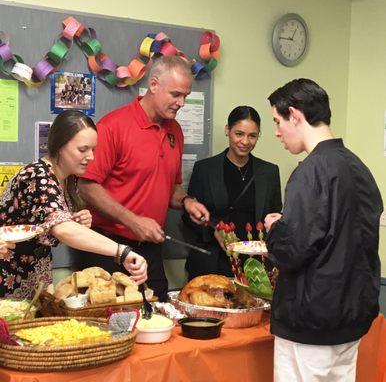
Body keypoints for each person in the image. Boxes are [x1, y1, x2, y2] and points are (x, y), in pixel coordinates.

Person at [264, 78, 383, 382]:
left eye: (278, 121)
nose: (277, 132)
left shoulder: (310, 172)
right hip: (351, 318)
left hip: (311, 325)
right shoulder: (358, 167)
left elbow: (292, 251)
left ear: (296, 114)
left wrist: (275, 228)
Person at [78, 55, 209, 301]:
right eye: (176, 95)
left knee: (157, 317)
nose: (182, 103)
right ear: (154, 85)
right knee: (111, 326)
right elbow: (86, 187)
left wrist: (187, 202)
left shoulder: (175, 131)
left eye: (186, 96)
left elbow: (173, 188)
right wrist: (133, 221)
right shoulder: (113, 126)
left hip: (150, 249)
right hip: (108, 247)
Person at [0, 110, 147, 299]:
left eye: (93, 149)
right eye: (83, 149)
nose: (91, 157)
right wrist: (121, 251)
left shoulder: (69, 179)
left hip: (32, 273)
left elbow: (50, 221)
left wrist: (76, 220)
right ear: (60, 146)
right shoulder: (37, 176)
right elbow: (62, 229)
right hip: (8, 274)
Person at [182, 105, 282, 280]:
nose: (245, 141)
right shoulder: (205, 169)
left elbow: (275, 218)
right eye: (239, 134)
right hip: (212, 262)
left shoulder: (269, 172)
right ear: (227, 130)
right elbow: (189, 216)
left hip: (255, 266)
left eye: (252, 136)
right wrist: (213, 229)